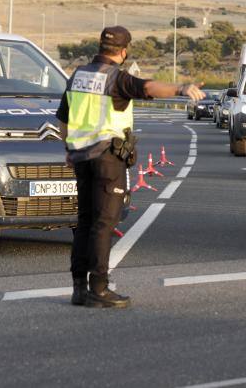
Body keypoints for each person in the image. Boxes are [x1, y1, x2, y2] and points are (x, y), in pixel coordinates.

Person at [57, 26, 203, 308]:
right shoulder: (116, 78)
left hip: (80, 158)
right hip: (108, 159)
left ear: (99, 47)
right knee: (104, 223)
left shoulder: (78, 76)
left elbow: (63, 118)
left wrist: (68, 147)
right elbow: (147, 87)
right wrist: (181, 88)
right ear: (124, 52)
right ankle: (98, 289)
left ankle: (78, 288)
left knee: (85, 222)